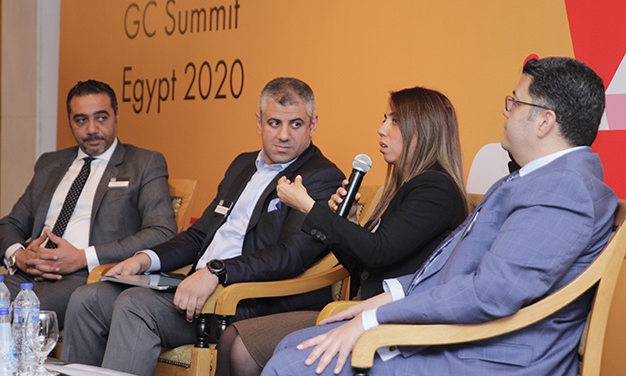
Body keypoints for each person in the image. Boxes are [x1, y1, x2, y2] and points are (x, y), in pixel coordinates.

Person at [262, 57, 617, 376]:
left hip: (488, 356)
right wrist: (391, 297)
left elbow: (489, 293)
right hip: (466, 339)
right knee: (292, 346)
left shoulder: (564, 189)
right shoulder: (542, 180)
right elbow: (458, 269)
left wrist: (374, 319)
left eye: (515, 101)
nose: (505, 110)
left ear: (544, 121)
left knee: (290, 366)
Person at [60, 77, 345, 376]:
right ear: (259, 122)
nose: (284, 135)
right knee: (87, 299)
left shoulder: (321, 177)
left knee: (135, 306)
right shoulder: (242, 164)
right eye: (275, 123)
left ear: (312, 124)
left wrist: (217, 272)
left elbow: (289, 255)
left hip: (249, 299)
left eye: (296, 124)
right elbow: (199, 236)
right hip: (198, 286)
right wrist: (145, 259)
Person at [216, 86, 471, 376]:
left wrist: (309, 207)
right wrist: (347, 222)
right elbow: (364, 267)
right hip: (360, 309)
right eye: (384, 119)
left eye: (395, 121)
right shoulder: (406, 188)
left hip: (392, 322)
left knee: (251, 348)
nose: (381, 129)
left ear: (422, 130)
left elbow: (377, 251)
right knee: (232, 337)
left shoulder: (435, 189)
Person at [0, 79, 177, 328]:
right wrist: (19, 257)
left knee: (22, 316)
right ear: (70, 122)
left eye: (101, 118)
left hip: (87, 277)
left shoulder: (143, 163)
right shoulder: (50, 164)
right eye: (81, 120)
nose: (92, 129)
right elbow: (9, 224)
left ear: (116, 116)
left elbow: (162, 232)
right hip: (29, 275)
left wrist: (83, 257)